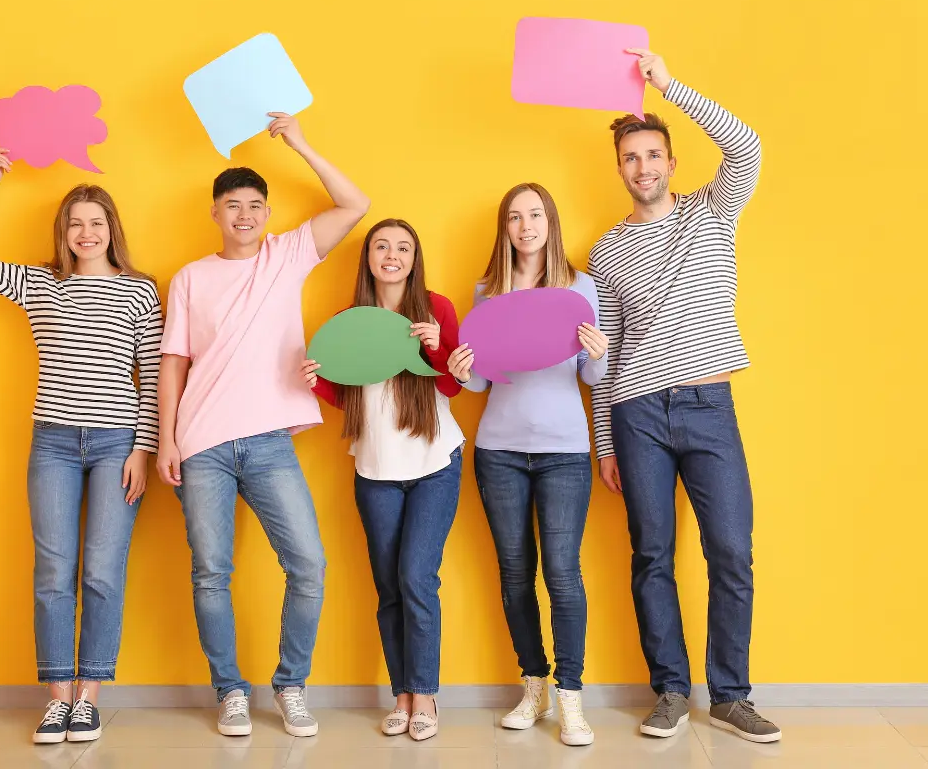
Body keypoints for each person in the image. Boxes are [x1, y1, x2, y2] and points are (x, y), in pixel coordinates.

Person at [587, 48, 781, 743]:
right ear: (620, 169)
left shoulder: (713, 212)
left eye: (652, 154)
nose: (642, 167)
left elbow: (747, 144)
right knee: (652, 555)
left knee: (732, 551)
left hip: (708, 406)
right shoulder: (605, 253)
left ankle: (730, 695)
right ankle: (669, 689)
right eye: (630, 158)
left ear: (671, 160)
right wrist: (605, 442)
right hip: (637, 415)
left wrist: (670, 86)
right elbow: (601, 361)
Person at [155, 114, 369, 738]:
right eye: (232, 205)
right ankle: (230, 692)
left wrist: (301, 142)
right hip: (203, 444)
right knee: (211, 572)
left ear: (267, 214)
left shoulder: (288, 254)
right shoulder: (191, 277)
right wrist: (168, 438)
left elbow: (356, 202)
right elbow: (173, 362)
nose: (244, 215)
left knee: (308, 565)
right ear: (215, 214)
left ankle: (290, 683)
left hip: (270, 442)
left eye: (255, 205)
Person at [0, 149, 162, 744]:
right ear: (63, 233)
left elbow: (151, 376)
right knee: (53, 571)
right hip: (53, 446)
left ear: (111, 230)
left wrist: (141, 451)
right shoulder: (38, 282)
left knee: (102, 570)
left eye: (97, 222)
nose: (87, 233)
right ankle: (57, 697)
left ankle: (90, 695)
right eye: (76, 224)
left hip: (118, 442)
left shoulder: (141, 292)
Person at [446, 183, 608, 747]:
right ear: (505, 228)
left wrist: (598, 354)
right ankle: (533, 685)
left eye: (535, 214)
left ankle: (572, 699)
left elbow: (591, 381)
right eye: (515, 217)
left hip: (564, 450)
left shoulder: (580, 287)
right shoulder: (488, 292)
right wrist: (462, 367)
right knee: (515, 573)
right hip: (500, 451)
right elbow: (482, 382)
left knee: (562, 572)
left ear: (550, 221)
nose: (526, 225)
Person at [301, 219, 464, 742]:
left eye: (403, 248)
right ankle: (402, 695)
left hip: (435, 464)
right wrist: (315, 382)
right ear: (368, 257)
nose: (391, 256)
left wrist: (439, 347)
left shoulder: (436, 308)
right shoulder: (347, 321)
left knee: (417, 578)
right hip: (374, 470)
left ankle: (425, 697)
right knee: (389, 587)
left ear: (415, 259)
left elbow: (455, 385)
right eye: (381, 247)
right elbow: (343, 392)